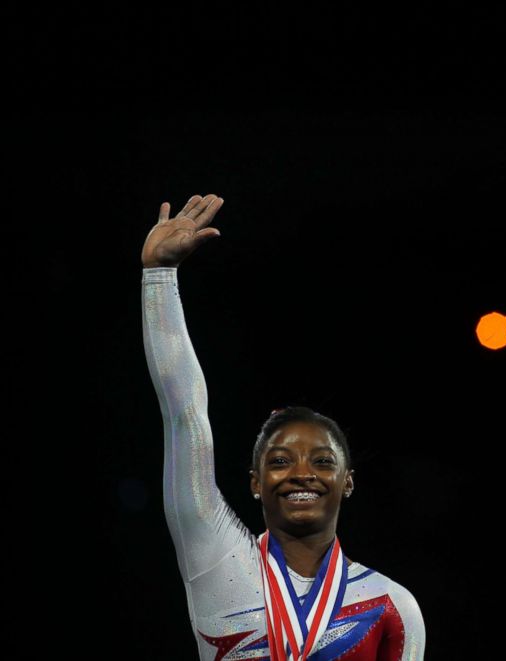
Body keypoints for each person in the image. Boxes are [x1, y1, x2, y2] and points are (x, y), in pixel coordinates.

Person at [141, 194, 425, 661]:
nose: (300, 473)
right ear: (255, 482)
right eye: (278, 461)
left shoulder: (393, 607)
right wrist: (159, 276)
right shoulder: (216, 559)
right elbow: (183, 414)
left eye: (322, 461)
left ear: (347, 481)